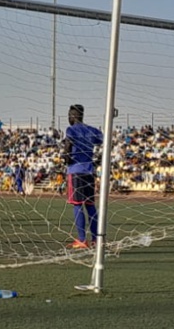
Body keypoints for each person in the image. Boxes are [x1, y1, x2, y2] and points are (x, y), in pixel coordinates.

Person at [63, 104, 103, 249]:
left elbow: (68, 145)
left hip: (76, 170)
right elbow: (102, 140)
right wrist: (97, 158)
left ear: (73, 116)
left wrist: (66, 158)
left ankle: (81, 239)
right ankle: (96, 239)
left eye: (69, 115)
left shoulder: (71, 129)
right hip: (89, 171)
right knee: (90, 205)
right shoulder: (92, 130)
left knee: (77, 205)